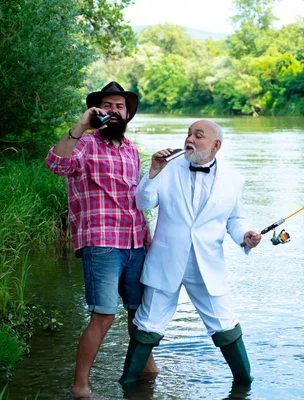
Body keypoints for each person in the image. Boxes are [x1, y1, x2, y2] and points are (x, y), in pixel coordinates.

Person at [119, 119, 262, 387]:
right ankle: (127, 385)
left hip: (207, 265)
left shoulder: (234, 179)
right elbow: (143, 202)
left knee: (224, 322)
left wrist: (245, 237)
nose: (190, 140)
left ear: (216, 145)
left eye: (199, 135)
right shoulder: (167, 168)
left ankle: (245, 384)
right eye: (188, 134)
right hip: (165, 260)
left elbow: (235, 220)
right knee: (148, 323)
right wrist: (152, 172)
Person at [45, 81, 156, 398]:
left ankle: (149, 372)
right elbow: (56, 164)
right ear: (98, 111)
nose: (114, 111)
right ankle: (80, 387)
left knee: (139, 314)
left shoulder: (132, 149)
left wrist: (146, 236)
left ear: (127, 114)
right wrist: (81, 125)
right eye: (108, 105)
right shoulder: (85, 143)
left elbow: (135, 199)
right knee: (104, 315)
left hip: (135, 243)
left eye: (120, 106)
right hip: (103, 243)